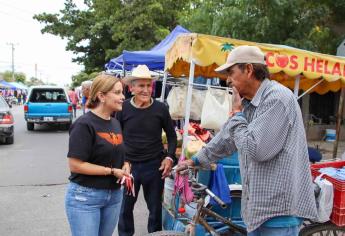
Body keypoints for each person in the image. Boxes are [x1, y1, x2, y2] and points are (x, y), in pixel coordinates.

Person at [180, 45, 318, 235]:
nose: (227, 80)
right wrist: (195, 160)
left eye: (231, 72)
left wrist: (236, 114)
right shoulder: (249, 103)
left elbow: (256, 150)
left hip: (278, 211)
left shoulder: (277, 99)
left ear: (249, 69)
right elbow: (225, 138)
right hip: (259, 208)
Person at [65, 73, 130, 236]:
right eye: (117, 92)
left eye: (122, 92)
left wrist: (126, 165)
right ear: (101, 96)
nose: (123, 97)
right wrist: (112, 171)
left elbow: (117, 152)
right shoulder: (83, 124)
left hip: (114, 195)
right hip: (85, 197)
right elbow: (75, 165)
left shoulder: (115, 122)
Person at [117, 65, 177, 236]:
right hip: (130, 169)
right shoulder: (123, 108)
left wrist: (170, 158)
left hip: (154, 167)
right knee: (125, 209)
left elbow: (172, 136)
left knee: (155, 209)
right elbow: (117, 137)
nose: (145, 90)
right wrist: (123, 162)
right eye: (141, 86)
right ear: (132, 88)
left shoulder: (161, 108)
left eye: (148, 86)